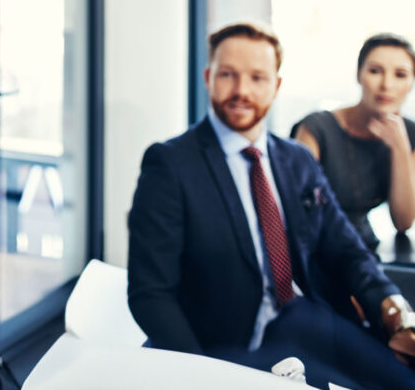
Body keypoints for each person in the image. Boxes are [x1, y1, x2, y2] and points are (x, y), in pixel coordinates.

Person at [127, 22, 415, 390]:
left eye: (257, 78)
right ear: (207, 77)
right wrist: (197, 375)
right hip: (224, 345)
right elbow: (150, 293)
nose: (241, 91)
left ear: (276, 85)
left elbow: (347, 251)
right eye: (227, 75)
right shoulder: (169, 164)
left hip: (300, 316)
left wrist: (394, 309)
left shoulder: (296, 160)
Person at [292, 33, 415, 251]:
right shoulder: (316, 129)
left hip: (366, 249)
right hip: (315, 247)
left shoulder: (408, 134)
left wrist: (400, 149)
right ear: (359, 75)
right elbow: (299, 211)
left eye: (400, 74)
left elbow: (403, 222)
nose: (386, 85)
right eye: (375, 71)